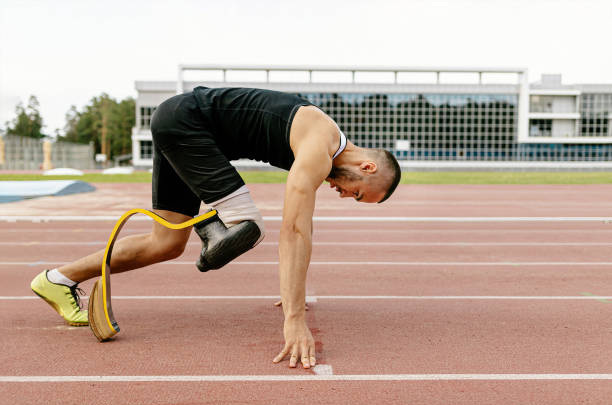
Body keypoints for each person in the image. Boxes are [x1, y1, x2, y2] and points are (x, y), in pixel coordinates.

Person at [30, 87, 401, 369]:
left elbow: (305, 229)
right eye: (356, 194)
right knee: (247, 225)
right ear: (367, 168)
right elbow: (295, 231)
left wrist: (294, 295)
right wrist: (294, 319)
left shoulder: (324, 146)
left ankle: (58, 279)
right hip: (186, 123)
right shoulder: (321, 144)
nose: (343, 195)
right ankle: (212, 231)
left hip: (184, 127)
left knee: (166, 243)